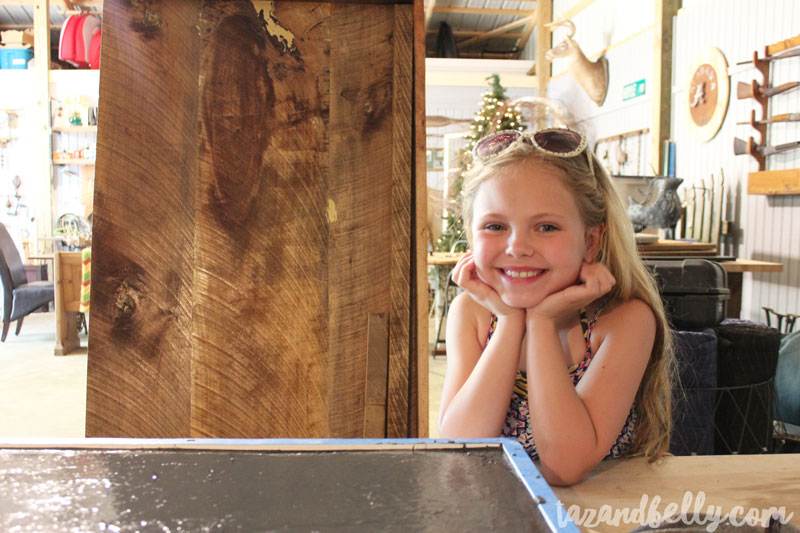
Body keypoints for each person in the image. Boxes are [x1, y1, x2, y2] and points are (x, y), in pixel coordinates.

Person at [438, 128, 673, 486]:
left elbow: (565, 466)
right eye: (495, 225)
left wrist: (544, 323)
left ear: (591, 240)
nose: (517, 247)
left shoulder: (622, 320)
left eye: (546, 227)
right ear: (472, 238)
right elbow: (459, 448)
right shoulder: (471, 314)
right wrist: (509, 320)